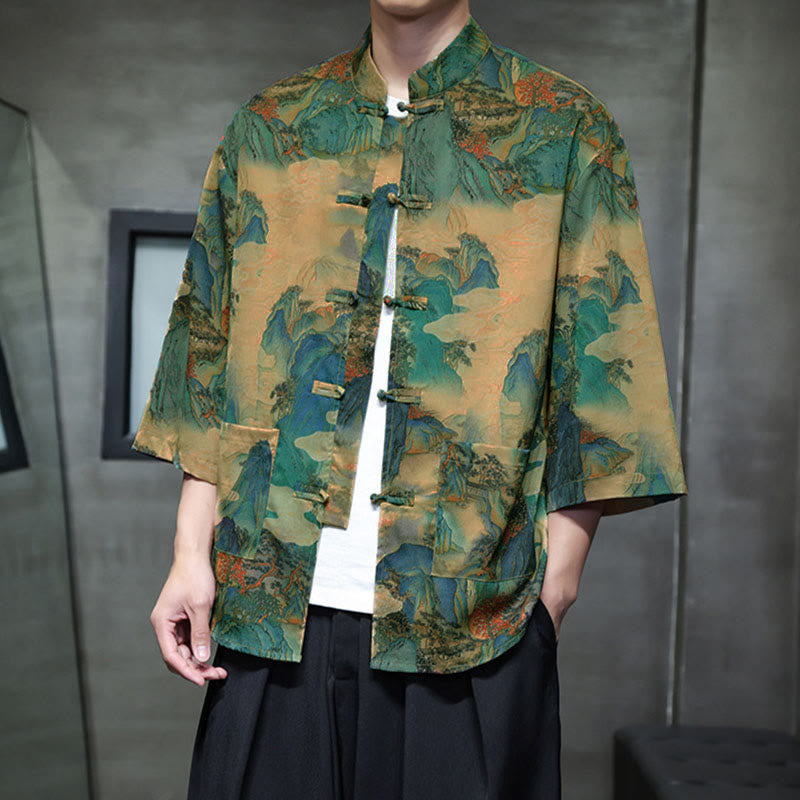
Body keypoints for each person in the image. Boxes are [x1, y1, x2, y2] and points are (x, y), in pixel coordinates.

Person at [132, 1, 688, 797]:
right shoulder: (271, 127)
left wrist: (551, 596)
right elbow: (206, 355)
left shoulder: (564, 128)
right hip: (272, 610)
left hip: (474, 625)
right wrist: (190, 555)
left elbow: (604, 381)